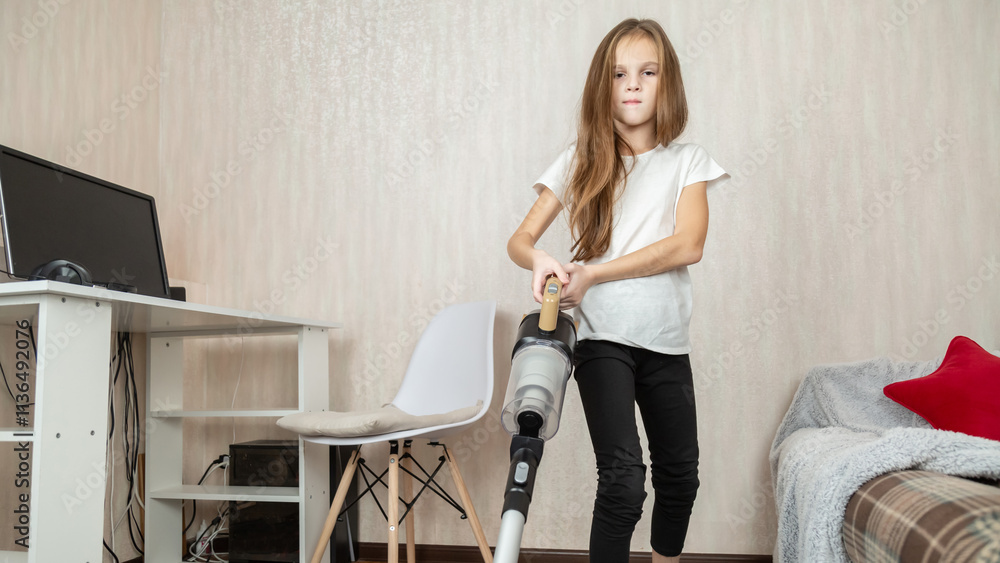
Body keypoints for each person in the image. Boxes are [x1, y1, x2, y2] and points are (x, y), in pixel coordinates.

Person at [506, 18, 729, 563]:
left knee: (681, 479)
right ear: (601, 87)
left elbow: (688, 245)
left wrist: (595, 273)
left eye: (647, 72)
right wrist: (538, 258)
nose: (633, 84)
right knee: (625, 482)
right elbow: (519, 239)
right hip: (603, 341)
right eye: (619, 74)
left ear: (666, 82)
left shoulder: (688, 162)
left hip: (667, 343)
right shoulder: (582, 159)